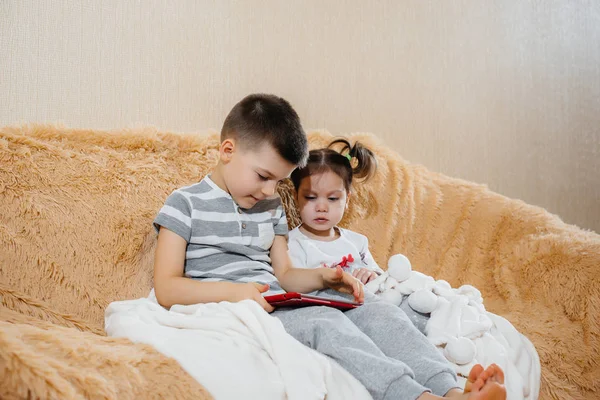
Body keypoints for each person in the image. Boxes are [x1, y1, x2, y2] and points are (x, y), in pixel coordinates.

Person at [152, 93, 506, 400]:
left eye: (278, 182)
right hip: (232, 305)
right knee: (326, 323)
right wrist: (236, 293)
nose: (269, 191)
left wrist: (324, 278)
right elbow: (166, 287)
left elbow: (286, 274)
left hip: (278, 298)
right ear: (227, 150)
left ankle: (452, 389)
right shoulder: (185, 204)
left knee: (377, 310)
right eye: (263, 176)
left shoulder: (270, 207)